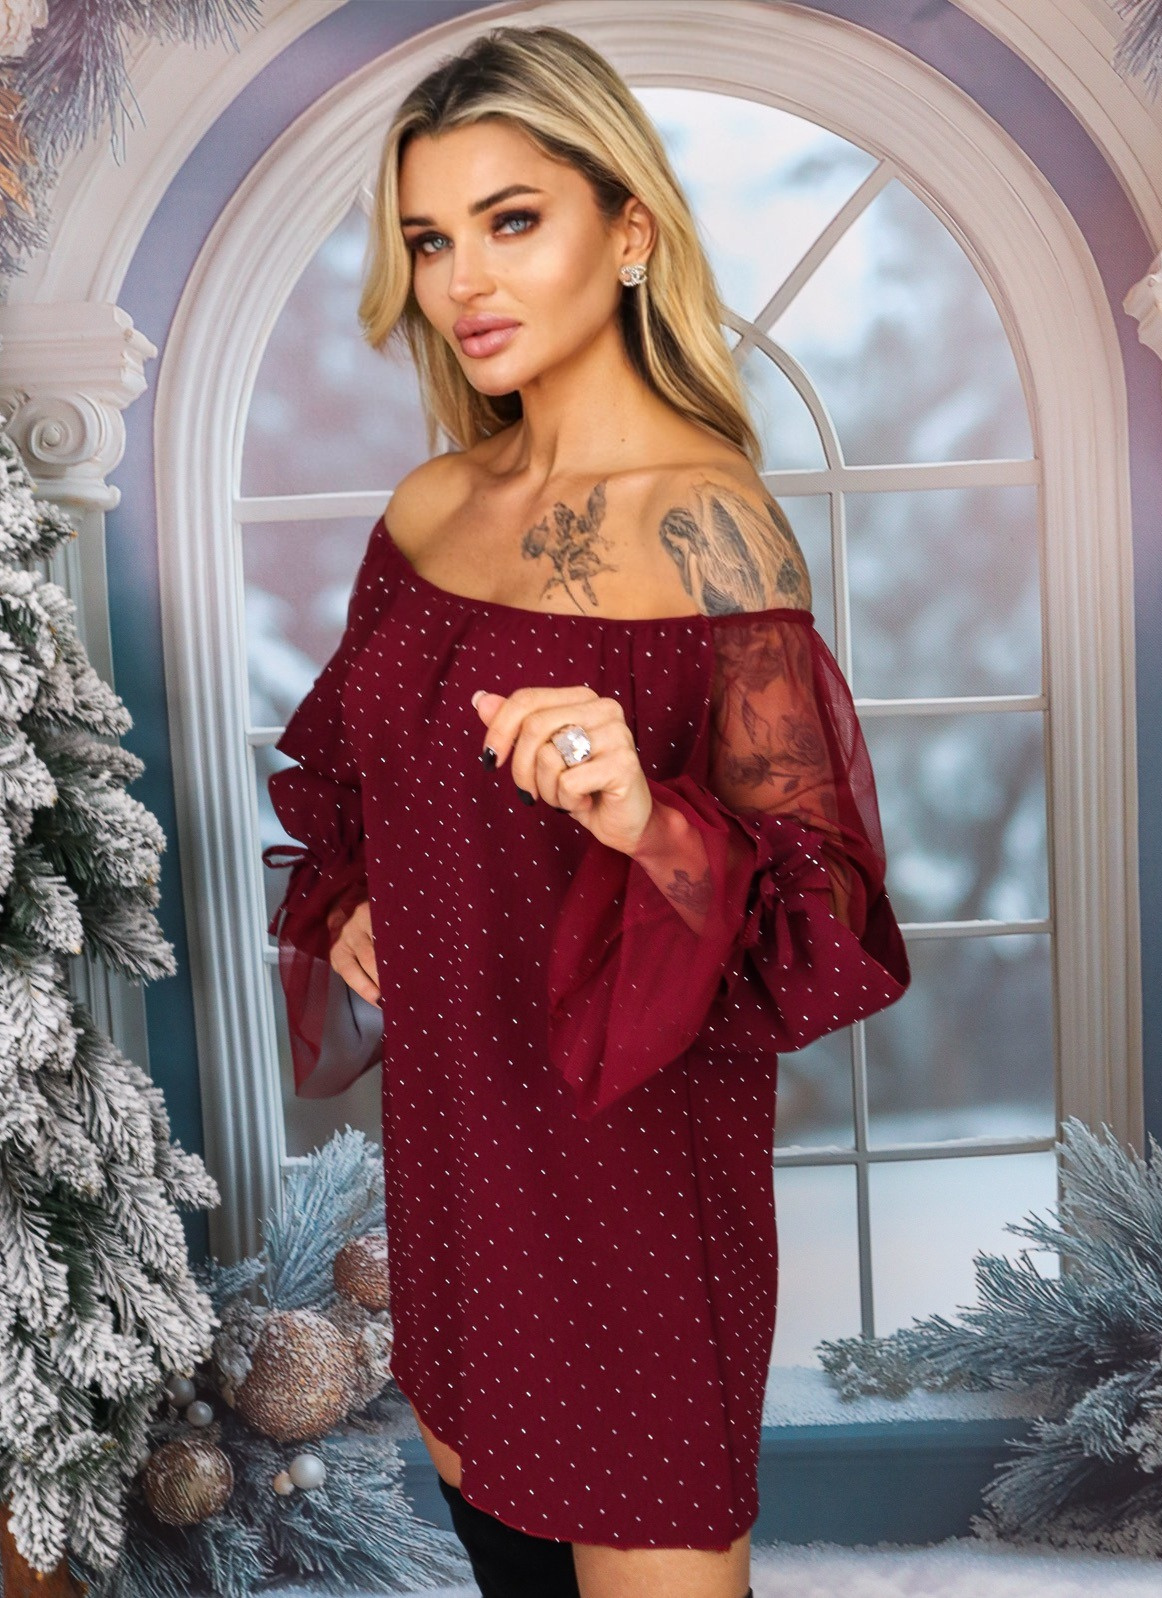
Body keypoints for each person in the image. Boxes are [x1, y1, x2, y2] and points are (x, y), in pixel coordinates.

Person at [264, 23, 911, 1598]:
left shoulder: (714, 530)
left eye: (512, 220)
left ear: (629, 231)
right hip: (460, 1170)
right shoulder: (427, 512)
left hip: (633, 1202)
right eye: (431, 238)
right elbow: (359, 789)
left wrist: (646, 818)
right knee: (506, 1562)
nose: (463, 279)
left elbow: (821, 915)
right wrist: (354, 902)